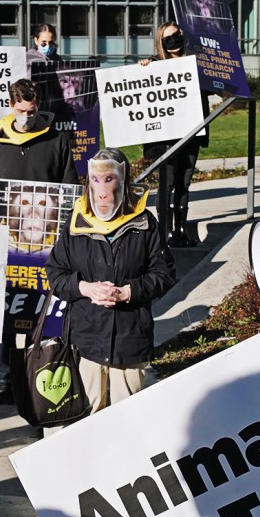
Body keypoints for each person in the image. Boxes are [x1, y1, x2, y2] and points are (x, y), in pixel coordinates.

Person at [45, 148, 176, 414]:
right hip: (85, 339)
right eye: (96, 180)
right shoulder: (76, 223)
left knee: (127, 417)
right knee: (86, 417)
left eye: (109, 179)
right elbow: (55, 274)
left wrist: (128, 292)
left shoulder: (144, 223)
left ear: (124, 179)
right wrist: (85, 288)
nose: (102, 191)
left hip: (130, 338)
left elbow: (164, 274)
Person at [0, 78, 78, 404]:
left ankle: (42, 372)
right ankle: (3, 377)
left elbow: (69, 188)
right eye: (21, 111)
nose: (27, 117)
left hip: (47, 241)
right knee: (5, 309)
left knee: (41, 310)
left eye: (32, 111)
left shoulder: (57, 141)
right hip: (6, 240)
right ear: (10, 105)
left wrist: (70, 228)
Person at [139, 23, 209, 248]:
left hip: (191, 133)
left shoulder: (197, 63)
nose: (174, 40)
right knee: (166, 184)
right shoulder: (156, 65)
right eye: (167, 37)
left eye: (176, 35)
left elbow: (213, 88)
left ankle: (181, 231)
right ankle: (164, 232)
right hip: (166, 137)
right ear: (161, 42)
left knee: (184, 183)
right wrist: (144, 68)